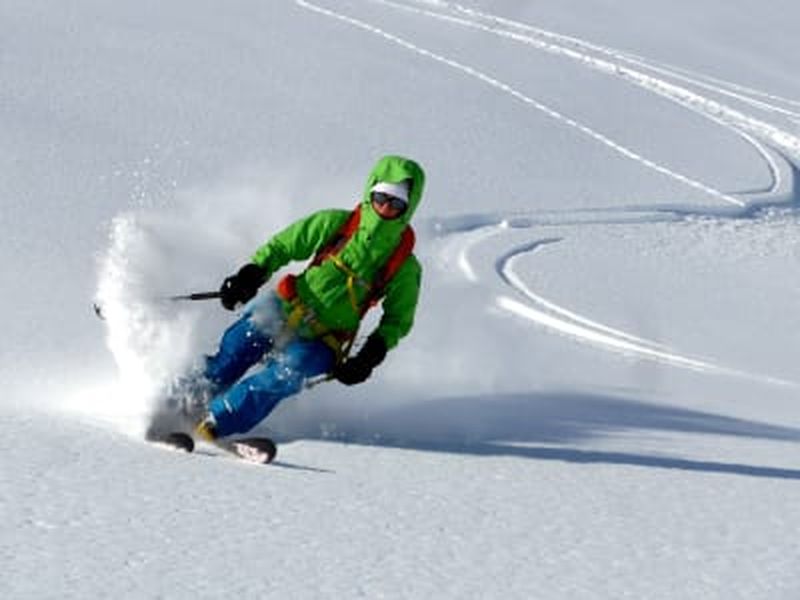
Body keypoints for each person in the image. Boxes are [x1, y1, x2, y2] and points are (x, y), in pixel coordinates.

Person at [173, 155, 425, 441]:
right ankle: (179, 404)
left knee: (286, 373)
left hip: (323, 340)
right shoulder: (337, 224)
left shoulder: (404, 266)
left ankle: (216, 422)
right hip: (284, 306)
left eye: (396, 203)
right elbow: (284, 246)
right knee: (238, 346)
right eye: (381, 197)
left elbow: (398, 320)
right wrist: (250, 275)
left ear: (408, 208)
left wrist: (369, 356)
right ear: (371, 193)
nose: (385, 207)